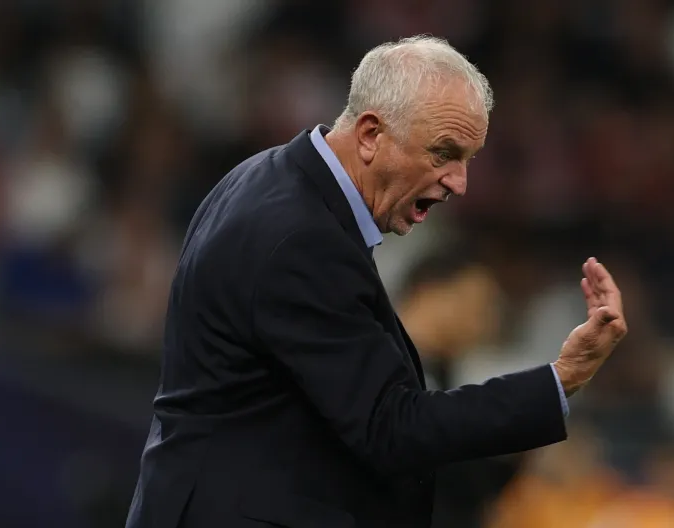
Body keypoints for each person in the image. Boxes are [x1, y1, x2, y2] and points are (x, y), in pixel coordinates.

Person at [125, 35, 628, 528]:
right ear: (370, 134)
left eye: (467, 160)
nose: (460, 182)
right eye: (443, 153)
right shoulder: (302, 238)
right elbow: (392, 429)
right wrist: (563, 377)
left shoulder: (267, 179)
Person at [396, 246, 529, 528]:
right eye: (478, 305)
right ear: (430, 292)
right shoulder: (385, 363)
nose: (486, 320)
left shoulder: (443, 372)